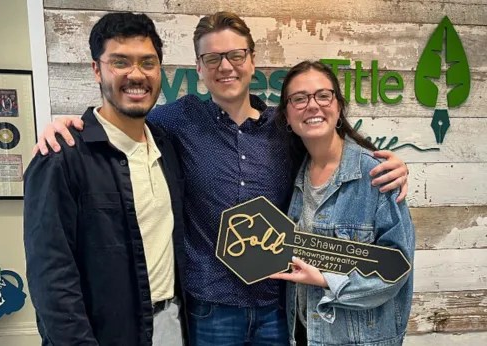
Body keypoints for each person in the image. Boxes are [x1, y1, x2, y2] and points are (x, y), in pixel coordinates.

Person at [33, 12, 409, 346]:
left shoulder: (284, 127)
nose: (225, 66)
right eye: (212, 58)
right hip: (209, 309)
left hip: (277, 305)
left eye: (235, 55)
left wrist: (390, 163)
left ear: (252, 61)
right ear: (198, 67)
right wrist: (69, 124)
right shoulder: (174, 123)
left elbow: (329, 143)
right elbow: (122, 118)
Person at [23, 12, 186, 346]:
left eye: (148, 62)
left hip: (173, 325)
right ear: (97, 70)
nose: (136, 75)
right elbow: (51, 278)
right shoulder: (61, 156)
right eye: (120, 62)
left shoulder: (166, 147)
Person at [270, 61, 415, 346]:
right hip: (303, 334)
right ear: (287, 116)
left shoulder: (375, 175)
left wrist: (327, 280)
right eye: (299, 98)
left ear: (338, 107)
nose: (312, 105)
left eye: (323, 95)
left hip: (358, 339)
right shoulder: (293, 173)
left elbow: (397, 270)